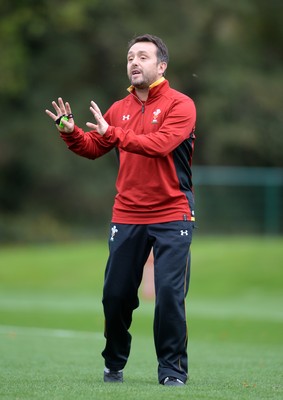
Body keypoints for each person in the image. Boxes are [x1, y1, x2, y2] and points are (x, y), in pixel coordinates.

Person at [45, 34, 196, 387]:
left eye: (142, 56)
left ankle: (172, 371)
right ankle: (114, 361)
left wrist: (114, 132)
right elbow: (96, 146)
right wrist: (70, 133)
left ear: (161, 66)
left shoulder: (181, 105)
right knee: (115, 297)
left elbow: (161, 146)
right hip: (127, 214)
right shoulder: (118, 109)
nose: (133, 62)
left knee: (171, 295)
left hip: (173, 212)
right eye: (130, 56)